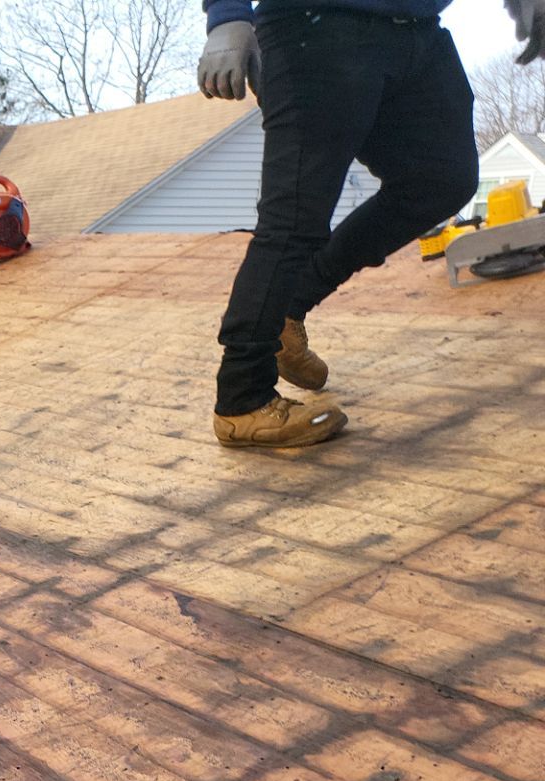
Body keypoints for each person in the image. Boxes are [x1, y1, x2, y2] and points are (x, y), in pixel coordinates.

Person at [199, 0, 543, 448]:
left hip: (418, 30)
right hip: (317, 25)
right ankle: (241, 400)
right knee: (296, 217)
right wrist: (228, 16)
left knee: (442, 178)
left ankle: (288, 308)